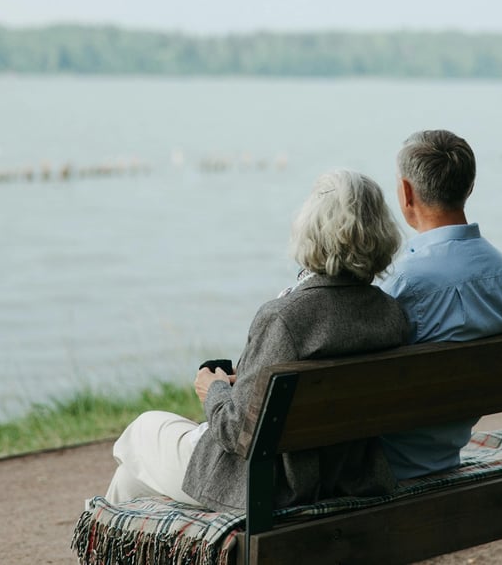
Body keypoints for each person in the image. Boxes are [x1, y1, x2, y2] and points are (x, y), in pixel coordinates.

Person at [105, 169, 410, 512]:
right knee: (129, 478)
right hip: (347, 475)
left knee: (141, 431)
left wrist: (215, 390)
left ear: (310, 232)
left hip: (272, 485)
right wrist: (250, 377)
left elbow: (236, 432)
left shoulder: (285, 317)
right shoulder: (390, 313)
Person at [378, 129, 502, 480]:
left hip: (388, 461)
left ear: (406, 193)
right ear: (468, 188)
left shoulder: (402, 282)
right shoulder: (501, 272)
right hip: (449, 447)